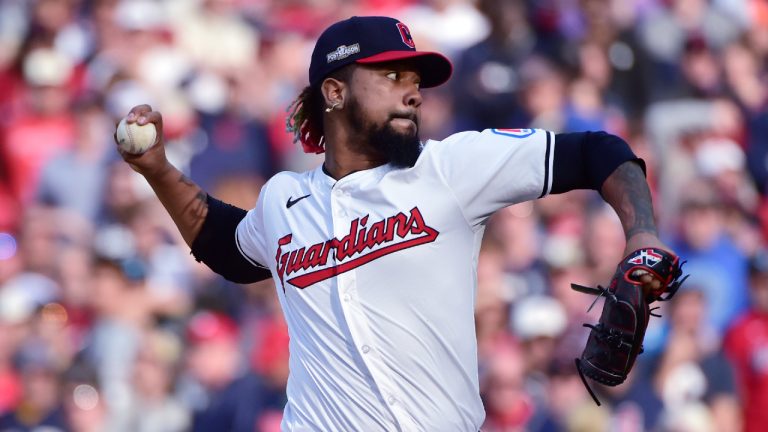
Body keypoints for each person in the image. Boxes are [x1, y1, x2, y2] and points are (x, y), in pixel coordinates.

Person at [116, 15, 677, 431]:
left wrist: (642, 235)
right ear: (334, 91)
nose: (412, 89)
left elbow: (600, 152)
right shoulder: (284, 199)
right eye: (389, 75)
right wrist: (159, 169)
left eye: (413, 77)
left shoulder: (452, 168)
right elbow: (226, 248)